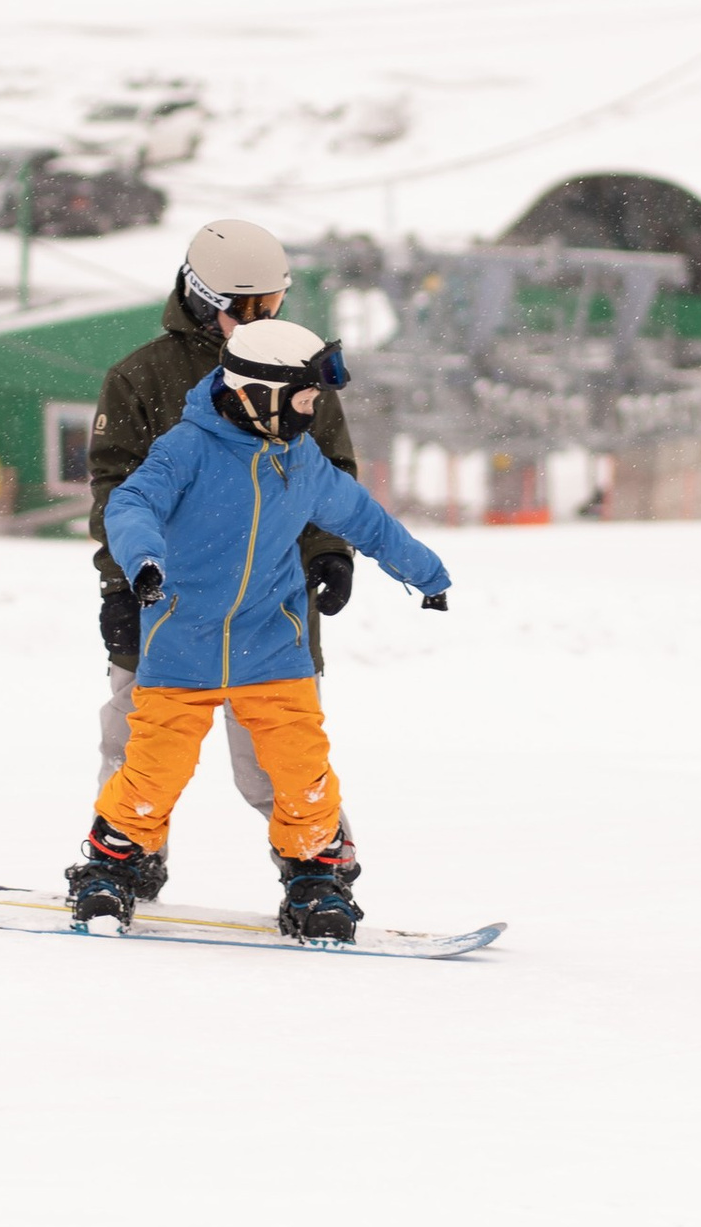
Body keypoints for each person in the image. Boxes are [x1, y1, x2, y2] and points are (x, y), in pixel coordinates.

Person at [69, 317, 451, 943]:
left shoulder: (301, 461)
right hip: (181, 641)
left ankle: (315, 876)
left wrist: (426, 574)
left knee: (300, 770)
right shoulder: (186, 449)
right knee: (153, 769)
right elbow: (131, 503)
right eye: (303, 400)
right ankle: (112, 866)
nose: (312, 411)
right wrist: (142, 560)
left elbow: (366, 519)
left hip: (271, 645)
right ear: (259, 395)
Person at [89, 215, 364, 873]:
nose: (260, 319)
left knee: (279, 757)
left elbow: (329, 475)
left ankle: (318, 865)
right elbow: (116, 492)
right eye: (245, 308)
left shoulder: (298, 370)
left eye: (272, 304)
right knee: (137, 747)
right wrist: (120, 585)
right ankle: (128, 855)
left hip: (271, 604)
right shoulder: (142, 379)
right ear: (200, 297)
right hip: (166, 602)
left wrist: (329, 549)